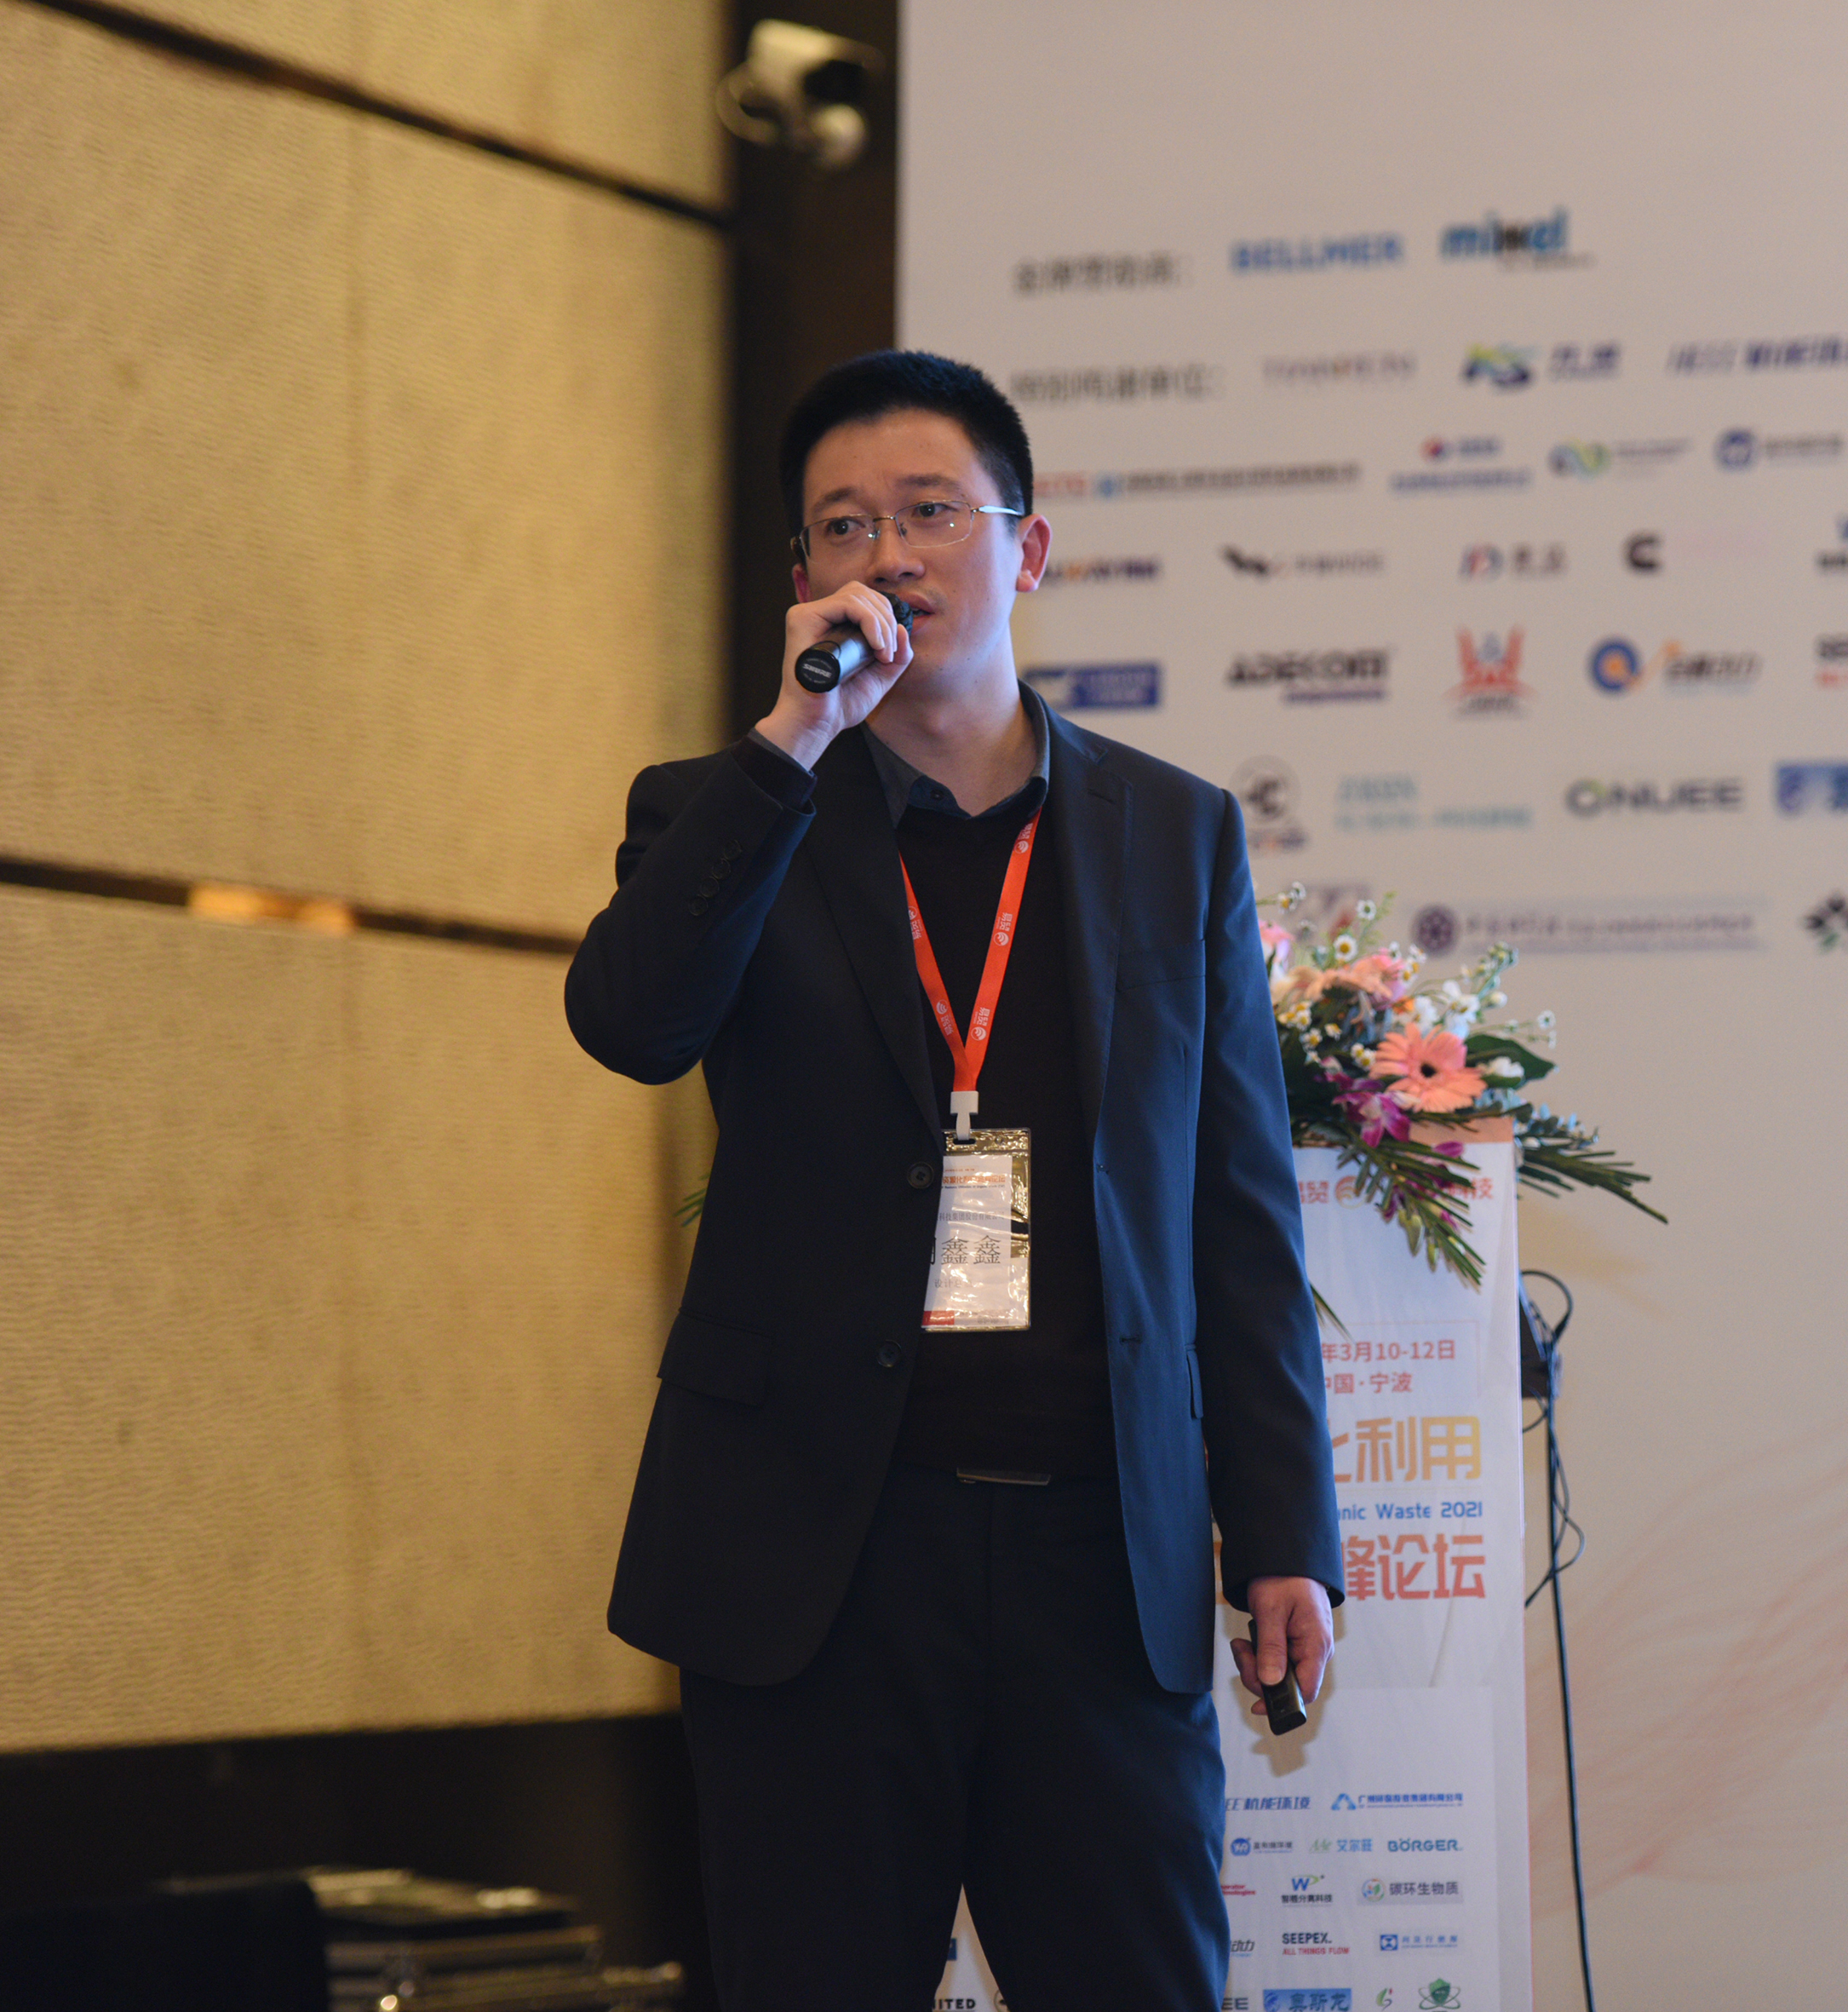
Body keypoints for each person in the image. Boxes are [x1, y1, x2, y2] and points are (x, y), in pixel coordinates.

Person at [563, 349, 1342, 2011]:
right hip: (819, 1567)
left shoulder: (1171, 834)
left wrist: (1283, 1528)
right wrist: (794, 738)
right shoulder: (727, 811)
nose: (891, 554)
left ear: (1026, 549)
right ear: (803, 576)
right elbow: (630, 1022)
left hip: (1096, 1562)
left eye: (930, 512)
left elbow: (1237, 1212)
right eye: (844, 526)